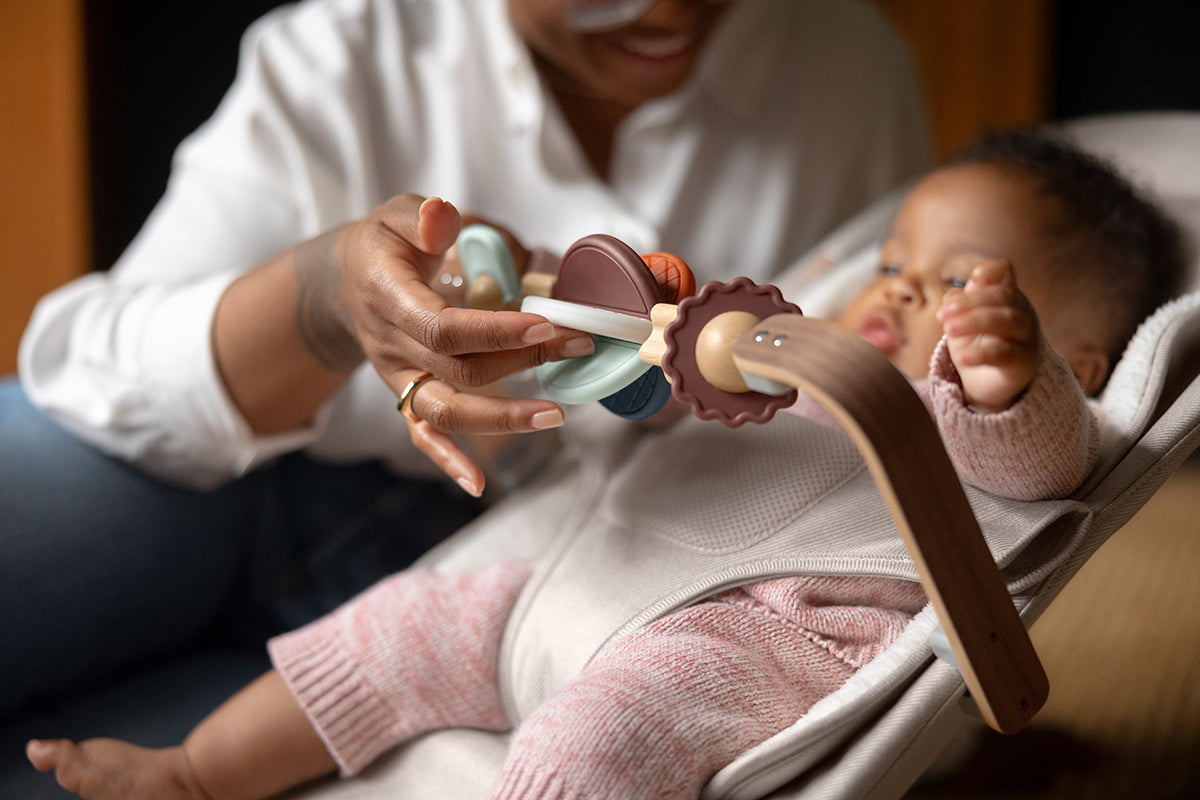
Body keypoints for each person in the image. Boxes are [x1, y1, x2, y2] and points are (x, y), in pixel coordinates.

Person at [25, 128, 1184, 800]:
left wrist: (1006, 378)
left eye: (956, 281)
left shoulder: (1012, 415)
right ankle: (192, 773)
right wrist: (641, 344)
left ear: (1079, 355)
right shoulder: (788, 359)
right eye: (893, 261)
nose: (899, 289)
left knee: (606, 735)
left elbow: (1038, 464)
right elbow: (669, 409)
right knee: (387, 629)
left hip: (759, 629)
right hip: (578, 579)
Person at [0, 0, 931, 773]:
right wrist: (322, 299)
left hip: (506, 586)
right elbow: (79, 364)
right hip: (209, 493)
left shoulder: (848, 67)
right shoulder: (347, 50)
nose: (666, 10)